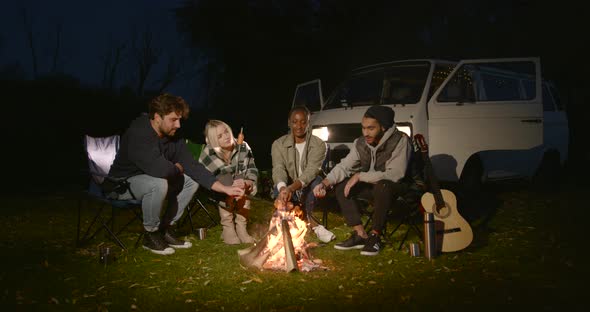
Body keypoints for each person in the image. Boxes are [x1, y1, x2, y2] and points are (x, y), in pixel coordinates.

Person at [109, 93, 244, 255]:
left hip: (150, 180)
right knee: (158, 182)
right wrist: (177, 168)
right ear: (157, 117)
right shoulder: (138, 133)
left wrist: (224, 188)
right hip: (121, 184)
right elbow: (161, 170)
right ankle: (151, 235)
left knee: (191, 180)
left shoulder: (174, 137)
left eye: (179, 119)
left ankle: (167, 228)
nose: (179, 125)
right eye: (173, 120)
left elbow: (193, 166)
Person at [313, 105, 412, 256]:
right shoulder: (360, 143)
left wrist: (360, 176)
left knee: (383, 185)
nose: (366, 132)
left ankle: (375, 236)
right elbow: (344, 166)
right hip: (374, 187)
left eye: (371, 128)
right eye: (363, 128)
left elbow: (396, 174)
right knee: (342, 185)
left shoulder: (400, 140)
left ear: (384, 127)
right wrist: (325, 183)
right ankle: (360, 234)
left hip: (398, 188)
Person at [271, 106, 335, 243]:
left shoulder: (319, 144)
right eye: (295, 122)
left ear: (308, 123)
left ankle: (313, 224)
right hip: (288, 185)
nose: (299, 126)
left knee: (317, 181)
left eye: (303, 122)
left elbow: (311, 171)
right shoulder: (278, 144)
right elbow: (278, 168)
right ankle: (287, 225)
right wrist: (283, 189)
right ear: (289, 122)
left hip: (308, 184)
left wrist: (291, 188)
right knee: (279, 191)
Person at [199, 120, 258, 244]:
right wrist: (236, 180)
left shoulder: (244, 146)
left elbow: (252, 168)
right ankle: (228, 227)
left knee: (246, 186)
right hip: (219, 188)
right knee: (226, 181)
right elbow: (214, 176)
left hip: (241, 187)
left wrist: (246, 182)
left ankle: (241, 227)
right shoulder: (208, 152)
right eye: (219, 136)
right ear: (213, 141)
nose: (226, 136)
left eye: (226, 132)